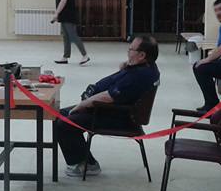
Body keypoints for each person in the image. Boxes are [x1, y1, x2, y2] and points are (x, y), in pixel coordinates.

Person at [55, 35, 160, 177]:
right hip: (114, 110)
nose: (128, 52)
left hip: (118, 116)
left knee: (63, 122)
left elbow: (108, 97)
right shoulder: (147, 67)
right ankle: (83, 160)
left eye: (131, 49)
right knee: (60, 114)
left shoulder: (138, 76)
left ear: (142, 55)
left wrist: (82, 105)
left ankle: (87, 165)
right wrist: (127, 66)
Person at [51, 0, 90, 65]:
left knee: (73, 36)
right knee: (66, 37)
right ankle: (65, 57)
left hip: (68, 16)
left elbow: (63, 1)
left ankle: (85, 55)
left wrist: (56, 13)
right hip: (64, 16)